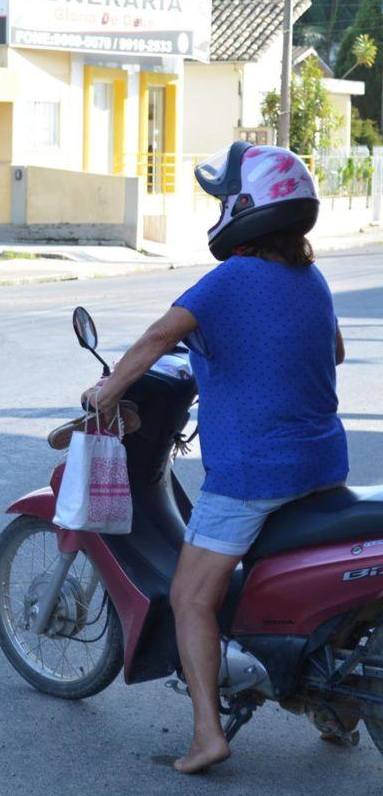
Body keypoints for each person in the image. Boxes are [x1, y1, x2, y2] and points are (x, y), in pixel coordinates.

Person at [83, 142, 348, 774]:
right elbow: (332, 351)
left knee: (191, 597)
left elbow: (155, 338)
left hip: (255, 474)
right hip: (321, 465)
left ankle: (207, 733)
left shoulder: (228, 279)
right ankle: (337, 711)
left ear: (244, 208)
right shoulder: (310, 279)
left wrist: (105, 391)